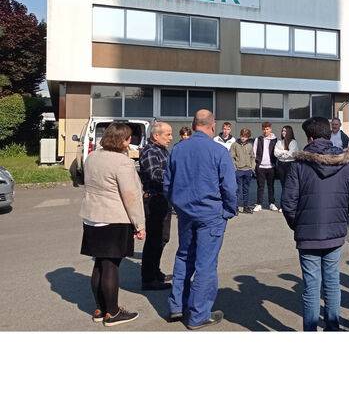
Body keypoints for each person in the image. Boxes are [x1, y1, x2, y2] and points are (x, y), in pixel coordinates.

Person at [281, 116, 349, 331]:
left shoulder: (300, 164)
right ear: (329, 134)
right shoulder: (346, 161)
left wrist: (298, 224)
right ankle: (333, 329)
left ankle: (311, 331)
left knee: (311, 287)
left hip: (308, 235)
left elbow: (288, 202)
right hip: (335, 231)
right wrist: (346, 213)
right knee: (332, 283)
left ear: (310, 137)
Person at [164, 109, 237, 330]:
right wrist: (228, 210)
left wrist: (177, 205)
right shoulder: (218, 151)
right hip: (210, 214)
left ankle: (177, 305)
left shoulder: (177, 150)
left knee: (184, 256)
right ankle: (198, 315)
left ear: (193, 124)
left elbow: (167, 183)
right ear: (212, 126)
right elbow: (230, 188)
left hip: (186, 213)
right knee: (205, 264)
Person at [80, 123, 146, 327]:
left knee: (99, 263)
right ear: (121, 140)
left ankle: (100, 308)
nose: (130, 142)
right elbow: (131, 196)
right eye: (128, 139)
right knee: (111, 265)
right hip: (113, 217)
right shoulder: (122, 162)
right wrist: (140, 224)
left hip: (91, 216)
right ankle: (113, 312)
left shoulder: (92, 157)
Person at [138, 121, 174, 291]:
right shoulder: (150, 151)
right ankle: (148, 278)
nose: (171, 138)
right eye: (167, 134)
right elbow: (155, 174)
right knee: (154, 239)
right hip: (154, 199)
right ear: (156, 135)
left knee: (162, 238)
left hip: (163, 198)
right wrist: (176, 175)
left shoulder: (161, 150)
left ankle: (155, 271)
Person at [254, 121, 278, 212]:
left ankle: (271, 203)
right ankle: (259, 204)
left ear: (270, 129)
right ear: (262, 129)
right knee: (260, 186)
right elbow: (254, 152)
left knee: (271, 186)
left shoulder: (275, 140)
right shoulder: (258, 139)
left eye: (267, 129)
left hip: (271, 167)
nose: (265, 131)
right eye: (264, 129)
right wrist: (256, 164)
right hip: (260, 167)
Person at [231, 128, 256, 214]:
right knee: (237, 190)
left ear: (248, 137)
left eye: (245, 137)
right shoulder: (235, 145)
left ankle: (245, 207)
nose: (243, 138)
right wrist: (235, 168)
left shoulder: (249, 145)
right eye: (242, 136)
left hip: (248, 170)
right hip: (238, 170)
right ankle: (236, 207)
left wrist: (252, 168)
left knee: (246, 190)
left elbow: (253, 157)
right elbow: (232, 157)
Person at [275, 125, 298, 211]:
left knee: (290, 185)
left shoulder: (293, 142)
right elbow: (275, 153)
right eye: (282, 131)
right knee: (283, 185)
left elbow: (291, 154)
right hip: (281, 165)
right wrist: (285, 152)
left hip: (290, 164)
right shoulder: (279, 142)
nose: (283, 132)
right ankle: (282, 205)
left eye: (285, 131)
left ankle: (290, 205)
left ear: (289, 132)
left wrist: (282, 153)